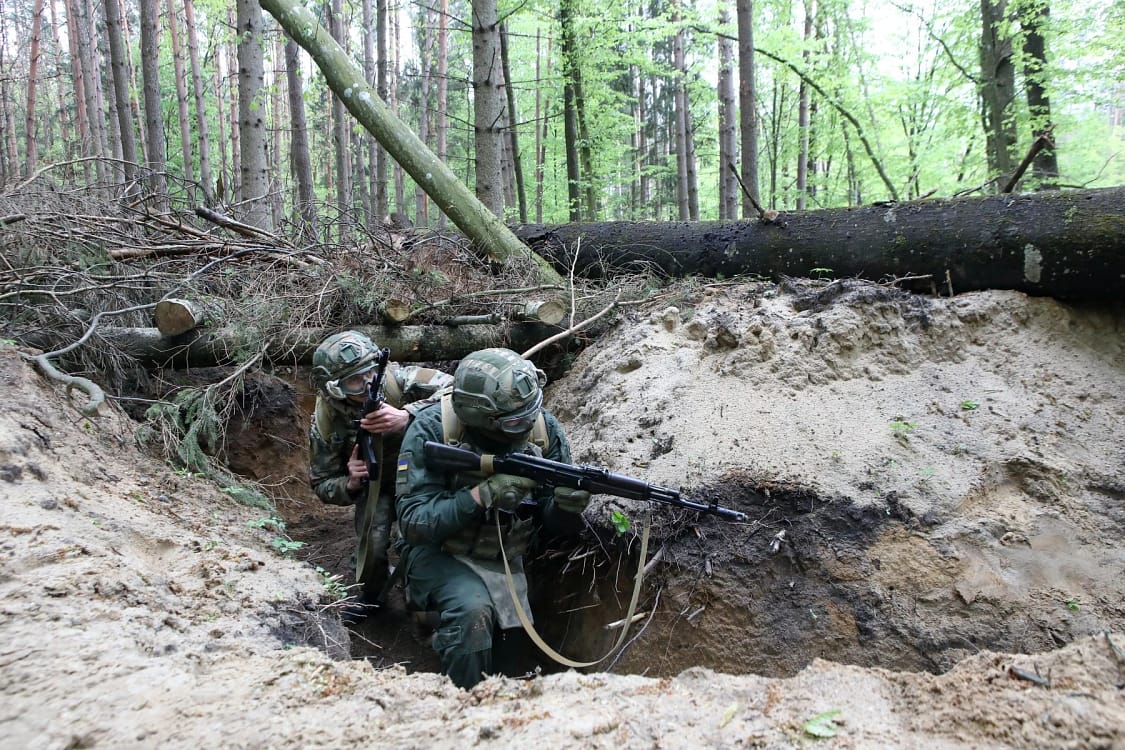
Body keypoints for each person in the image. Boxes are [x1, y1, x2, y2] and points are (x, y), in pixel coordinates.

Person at [394, 347, 591, 689]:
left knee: (512, 663)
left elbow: (553, 526)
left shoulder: (543, 430)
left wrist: (565, 507)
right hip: (441, 552)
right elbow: (414, 522)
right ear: (481, 417)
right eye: (516, 420)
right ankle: (463, 711)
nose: (529, 421)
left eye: (533, 409)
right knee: (472, 616)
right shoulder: (433, 429)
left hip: (506, 557)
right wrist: (481, 495)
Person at [308, 330, 453, 625]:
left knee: (421, 538)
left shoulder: (400, 380)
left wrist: (409, 415)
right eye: (354, 380)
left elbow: (457, 392)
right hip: (377, 487)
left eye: (371, 373)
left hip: (425, 476)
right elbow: (322, 482)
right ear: (334, 387)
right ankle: (373, 596)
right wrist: (349, 482)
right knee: (372, 546)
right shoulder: (326, 421)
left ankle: (428, 595)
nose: (367, 384)